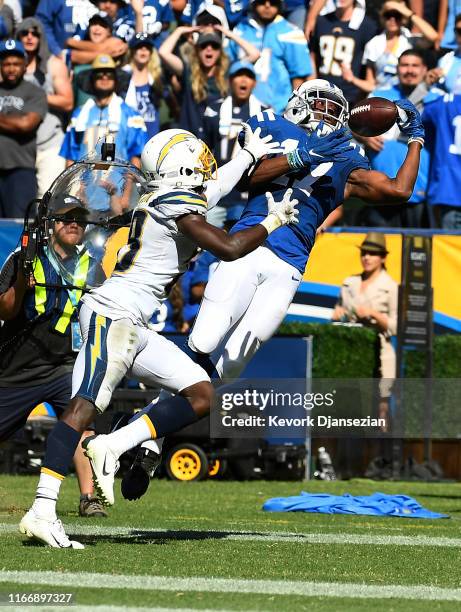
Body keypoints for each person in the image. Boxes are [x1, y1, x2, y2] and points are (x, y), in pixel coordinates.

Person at [69, 77, 425, 503]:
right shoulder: (274, 126)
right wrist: (301, 153)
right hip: (249, 249)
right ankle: (141, 438)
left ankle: (139, 433)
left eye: (335, 106)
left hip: (290, 266)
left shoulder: (348, 159)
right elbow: (250, 173)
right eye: (321, 102)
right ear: (299, 102)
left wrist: (415, 138)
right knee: (203, 341)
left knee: (228, 370)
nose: (328, 111)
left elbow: (400, 190)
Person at [19, 123, 300, 547]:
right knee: (81, 409)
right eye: (196, 159)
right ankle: (42, 509)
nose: (204, 167)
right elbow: (228, 247)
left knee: (201, 394)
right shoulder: (175, 203)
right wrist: (272, 222)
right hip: (114, 314)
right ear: (181, 167)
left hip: (133, 321)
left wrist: (244, 157)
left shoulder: (164, 198)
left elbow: (215, 188)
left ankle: (115, 445)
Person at [0, 195, 107, 517]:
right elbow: (5, 308)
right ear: (49, 224)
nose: (74, 224)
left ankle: (89, 498)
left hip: (66, 366)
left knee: (82, 422)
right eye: (65, 218)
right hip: (17, 367)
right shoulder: (24, 257)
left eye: (79, 219)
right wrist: (23, 278)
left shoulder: (93, 265)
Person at [359, 48, 442, 227]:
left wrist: (424, 89)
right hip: (379, 188)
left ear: (425, 69)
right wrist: (362, 136)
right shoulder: (379, 95)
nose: (409, 70)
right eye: (404, 65)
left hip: (419, 189)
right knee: (379, 251)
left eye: (415, 66)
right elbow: (353, 124)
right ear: (396, 69)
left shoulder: (438, 98)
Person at [332, 232, 398, 430]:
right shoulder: (349, 282)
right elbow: (337, 313)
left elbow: (395, 326)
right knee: (351, 407)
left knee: (381, 409)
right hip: (351, 352)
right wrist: (338, 314)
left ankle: (380, 456)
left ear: (383, 257)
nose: (367, 257)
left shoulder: (391, 287)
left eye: (373, 253)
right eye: (364, 253)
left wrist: (374, 314)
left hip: (380, 354)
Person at [159, 24, 259, 137]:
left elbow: (254, 54)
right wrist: (179, 30)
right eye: (204, 45)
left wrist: (229, 34)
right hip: (191, 138)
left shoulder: (228, 72)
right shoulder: (189, 71)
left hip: (216, 139)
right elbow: (163, 52)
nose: (209, 48)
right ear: (197, 50)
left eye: (215, 46)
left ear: (220, 51)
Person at [203, 59, 269, 226]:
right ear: (229, 81)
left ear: (254, 83)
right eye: (238, 76)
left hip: (246, 195)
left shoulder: (264, 113)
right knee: (203, 246)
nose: (243, 80)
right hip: (215, 191)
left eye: (248, 76)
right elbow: (204, 150)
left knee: (241, 247)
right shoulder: (214, 110)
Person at [16, 17, 74, 198]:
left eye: (35, 33)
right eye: (25, 33)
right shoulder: (8, 66)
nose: (30, 37)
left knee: (48, 201)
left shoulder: (54, 64)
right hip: (18, 146)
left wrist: (37, 97)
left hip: (49, 143)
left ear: (42, 37)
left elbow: (68, 101)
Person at [60, 54, 148, 168]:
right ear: (91, 80)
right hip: (83, 183)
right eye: (99, 74)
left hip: (118, 184)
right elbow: (70, 155)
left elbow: (137, 156)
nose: (104, 77)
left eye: (110, 74)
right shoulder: (78, 114)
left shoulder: (132, 116)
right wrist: (73, 186)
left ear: (116, 80)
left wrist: (128, 185)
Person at [226, 0, 312, 113]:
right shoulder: (240, 30)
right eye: (262, 1)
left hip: (278, 111)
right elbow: (226, 68)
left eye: (273, 2)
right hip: (242, 111)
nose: (267, 5)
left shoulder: (291, 32)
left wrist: (293, 111)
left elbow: (298, 78)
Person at [342, 0, 438, 94]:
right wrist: (353, 79)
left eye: (397, 16)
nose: (392, 19)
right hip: (383, 98)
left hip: (410, 97)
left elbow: (433, 36)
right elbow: (371, 85)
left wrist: (408, 13)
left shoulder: (411, 40)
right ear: (382, 17)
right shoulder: (373, 44)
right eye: (388, 15)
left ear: (404, 18)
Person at [0, 39, 47, 219]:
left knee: (19, 226)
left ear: (25, 65)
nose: (11, 68)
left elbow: (26, 124)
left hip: (20, 170)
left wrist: (15, 123)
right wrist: (12, 121)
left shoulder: (35, 92)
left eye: (16, 64)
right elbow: (18, 122)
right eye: (7, 64)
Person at [309, 0, 378, 104]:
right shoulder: (322, 21)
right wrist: (312, 86)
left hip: (351, 97)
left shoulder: (368, 26)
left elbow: (370, 71)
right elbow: (313, 56)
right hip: (322, 93)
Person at [422, 92, 461, 229]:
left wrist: (424, 87)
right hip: (449, 190)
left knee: (447, 248)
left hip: (449, 189)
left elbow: (411, 117)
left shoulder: (444, 102)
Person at [120, 32, 165, 139]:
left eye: (147, 47)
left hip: (152, 138)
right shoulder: (121, 77)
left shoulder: (157, 79)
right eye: (139, 47)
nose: (143, 50)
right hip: (129, 138)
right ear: (132, 51)